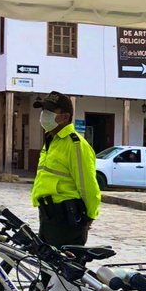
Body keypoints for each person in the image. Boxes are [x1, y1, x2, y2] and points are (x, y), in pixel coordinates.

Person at [30, 91, 100, 248]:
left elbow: (88, 185)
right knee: (45, 263)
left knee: (65, 263)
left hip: (66, 219)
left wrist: (90, 215)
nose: (44, 115)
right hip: (48, 215)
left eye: (49, 111)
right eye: (43, 110)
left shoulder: (76, 145)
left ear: (65, 117)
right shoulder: (52, 141)